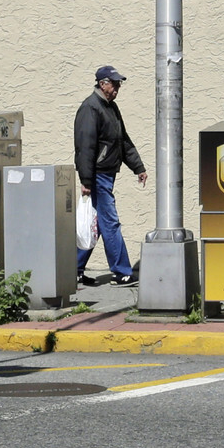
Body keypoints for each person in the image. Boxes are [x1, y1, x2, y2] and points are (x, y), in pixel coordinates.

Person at [74, 64, 147, 287]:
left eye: (119, 84)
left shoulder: (110, 108)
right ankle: (121, 271)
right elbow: (85, 147)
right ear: (102, 83)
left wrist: (138, 167)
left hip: (105, 175)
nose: (117, 88)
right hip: (97, 176)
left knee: (94, 224)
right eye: (114, 83)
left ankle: (72, 270)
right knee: (109, 222)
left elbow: (122, 140)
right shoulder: (91, 108)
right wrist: (86, 180)